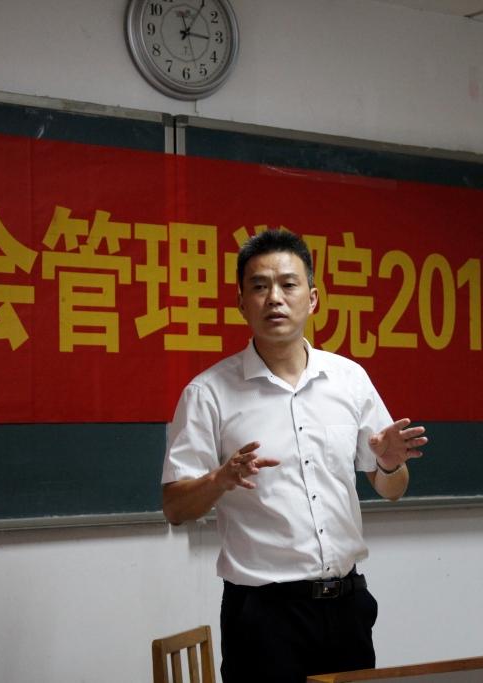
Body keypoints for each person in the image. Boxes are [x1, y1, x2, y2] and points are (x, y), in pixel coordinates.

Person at [161, 229, 427, 682]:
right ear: (241, 303)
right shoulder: (208, 393)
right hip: (263, 617)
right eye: (259, 286)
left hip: (346, 607)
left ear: (313, 298)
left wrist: (387, 463)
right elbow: (174, 507)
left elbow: (393, 489)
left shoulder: (349, 380)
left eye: (288, 284)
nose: (275, 298)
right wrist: (220, 480)